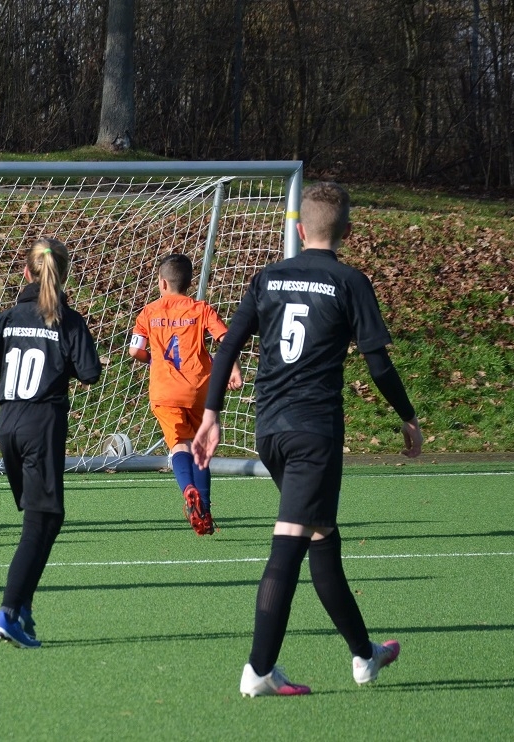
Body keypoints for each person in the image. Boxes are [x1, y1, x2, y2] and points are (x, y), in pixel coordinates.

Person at [193, 182, 422, 696]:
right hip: (312, 434)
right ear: (347, 232)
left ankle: (365, 654)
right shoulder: (350, 280)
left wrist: (211, 414)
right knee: (289, 543)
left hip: (270, 431)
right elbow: (378, 363)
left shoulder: (268, 276)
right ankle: (258, 671)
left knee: (322, 537)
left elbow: (227, 346)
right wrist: (408, 416)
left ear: (299, 230)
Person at [0, 237, 101, 647]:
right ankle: (8, 612)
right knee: (39, 524)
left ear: (26, 272)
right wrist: (61, 361)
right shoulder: (67, 320)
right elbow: (90, 373)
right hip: (42, 425)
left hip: (8, 423)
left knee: (47, 520)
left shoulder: (7, 317)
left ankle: (23, 606)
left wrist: (4, 390)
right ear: (65, 275)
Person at [129, 253, 242, 535]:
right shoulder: (201, 309)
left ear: (162, 283)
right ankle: (204, 510)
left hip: (164, 390)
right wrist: (234, 368)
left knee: (179, 445)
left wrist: (152, 360)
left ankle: (188, 488)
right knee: (200, 447)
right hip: (198, 388)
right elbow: (226, 339)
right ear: (189, 284)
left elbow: (134, 350)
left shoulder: (148, 312)